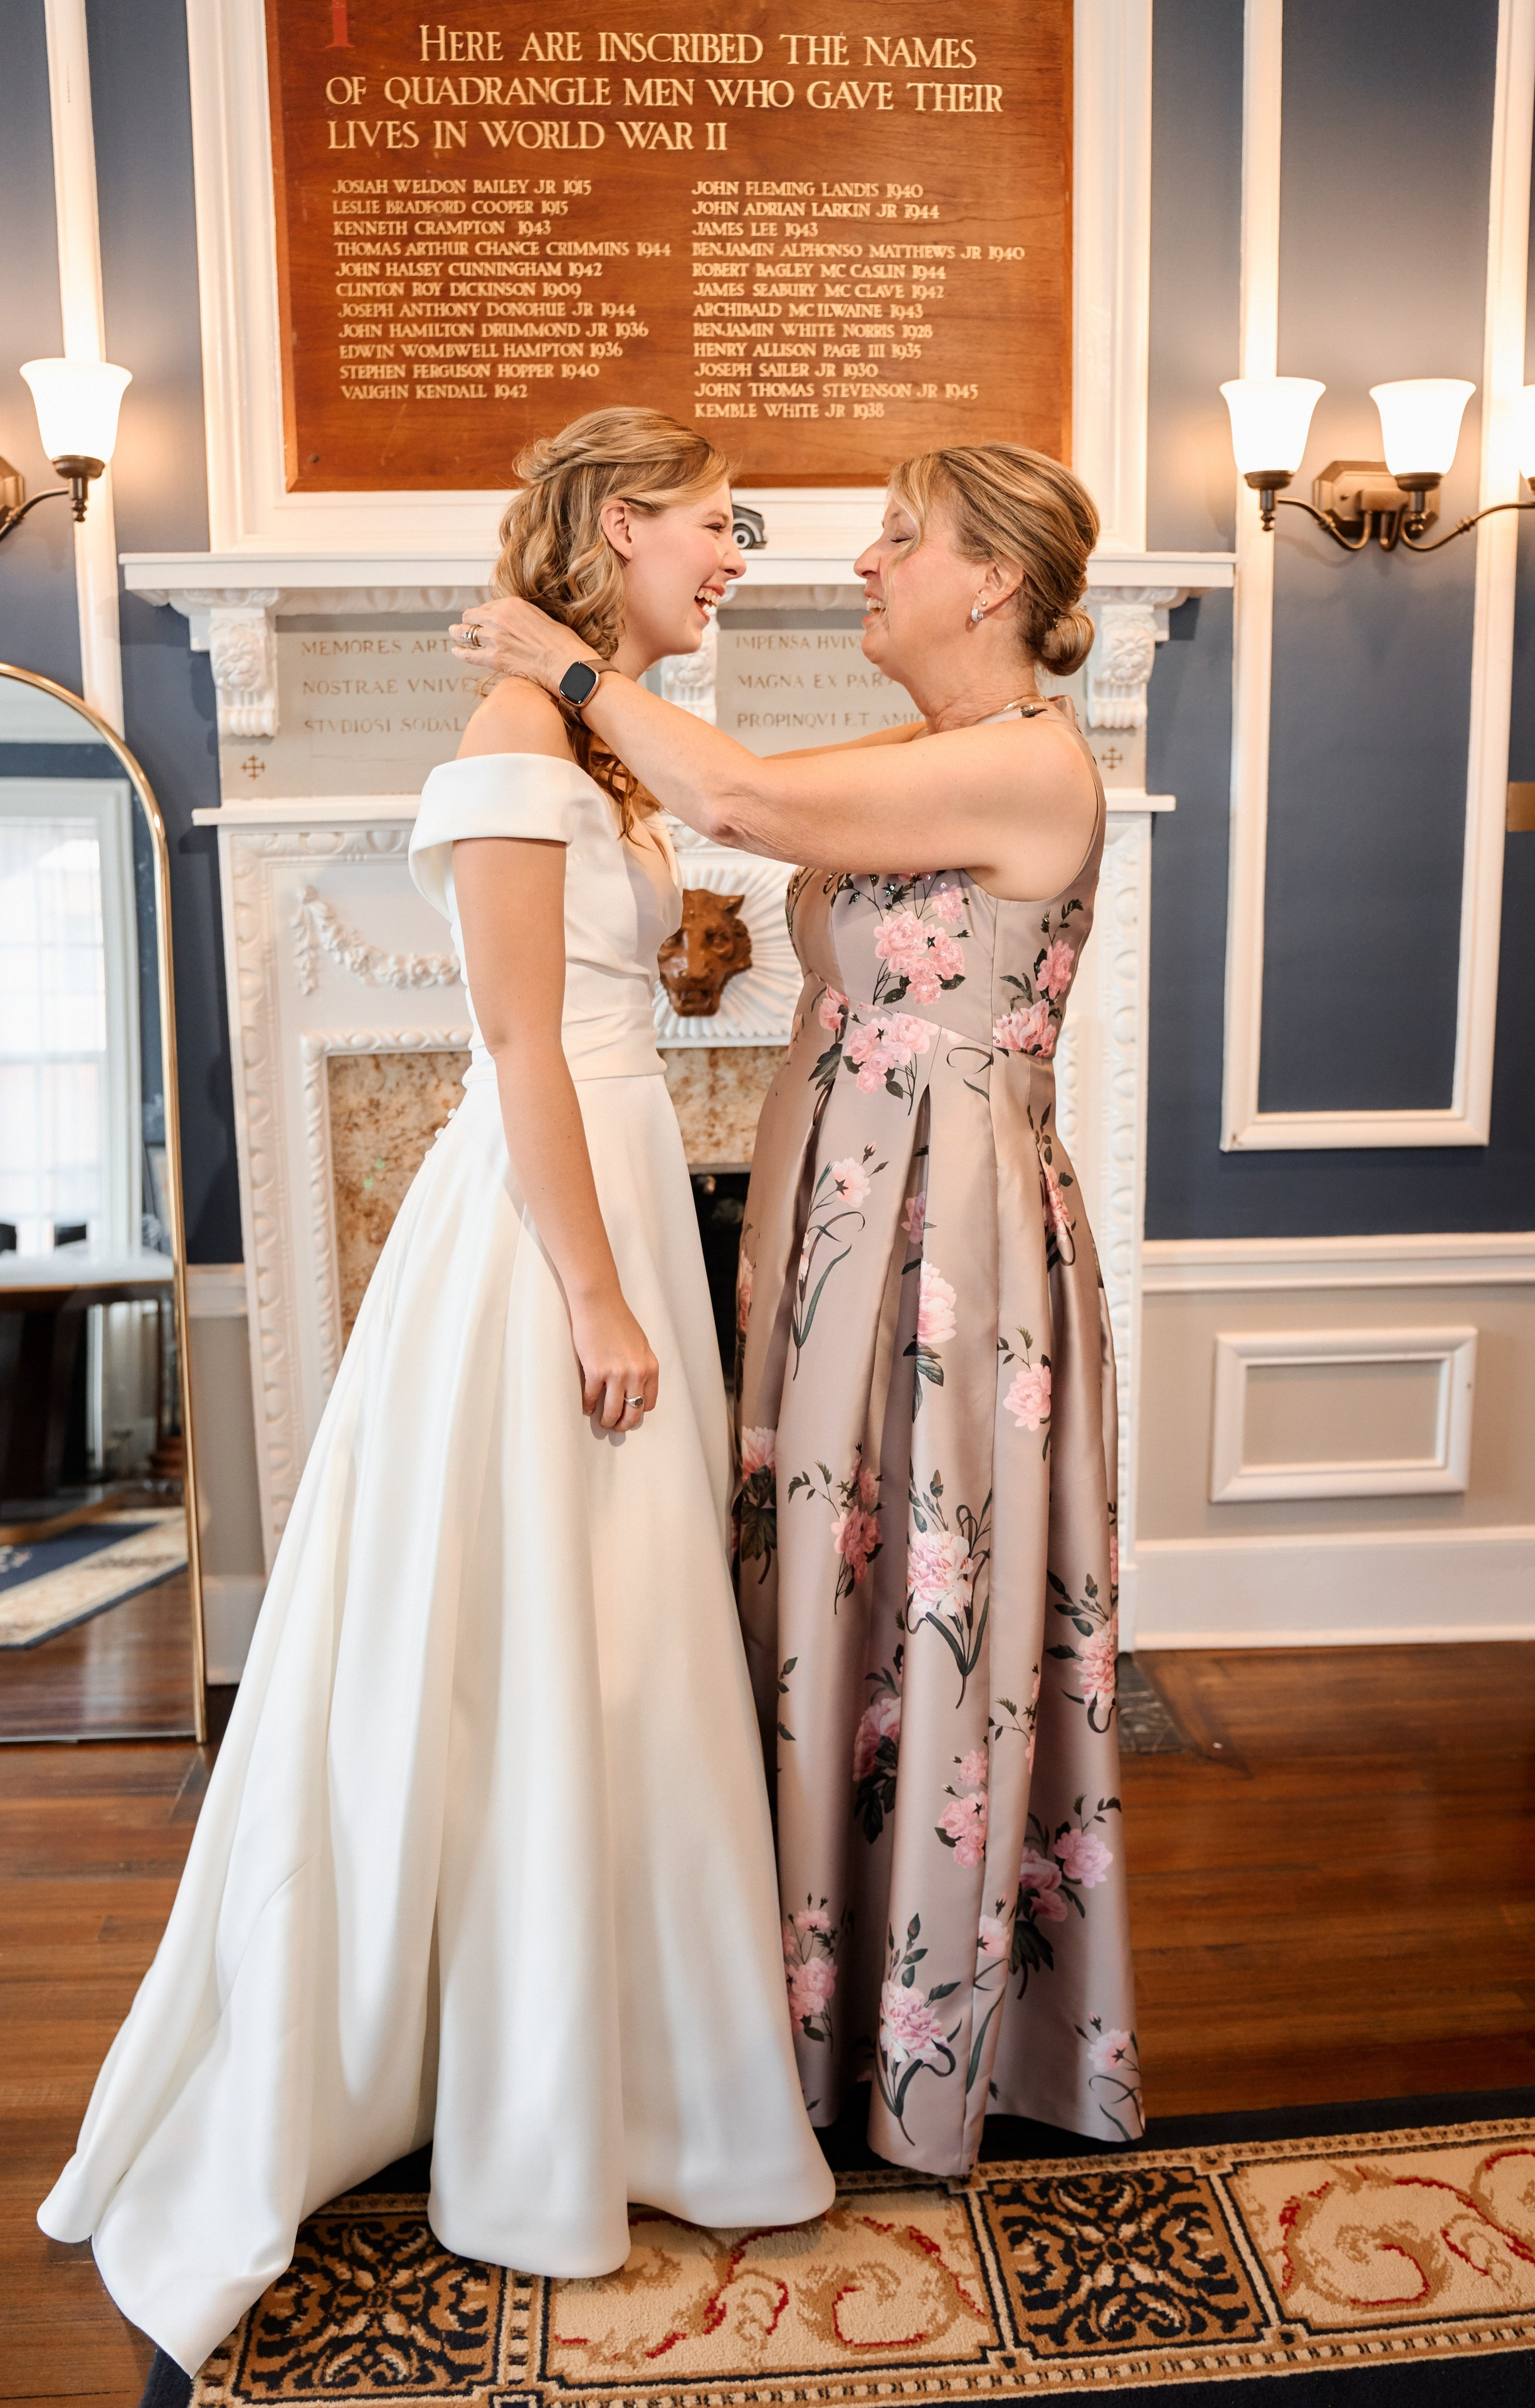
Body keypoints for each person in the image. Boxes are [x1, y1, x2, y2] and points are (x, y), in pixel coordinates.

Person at [37, 409, 835, 2378]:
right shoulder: (505, 747)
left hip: (621, 1200)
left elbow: (601, 985)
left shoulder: (594, 747)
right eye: (717, 527)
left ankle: (625, 2062)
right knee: (543, 1639)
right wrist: (595, 1294)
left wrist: (688, 939)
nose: (736, 556)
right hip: (549, 1238)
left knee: (621, 1649)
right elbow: (513, 1041)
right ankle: (542, 2084)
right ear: (622, 525)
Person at [454, 439, 1143, 2180]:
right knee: (825, 1603)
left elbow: (742, 804)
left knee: (932, 1608)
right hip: (845, 1232)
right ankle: (805, 2030)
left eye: (898, 541)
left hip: (952, 1246)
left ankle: (920, 2063)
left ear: (991, 581)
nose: (862, 566)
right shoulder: (919, 754)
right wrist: (760, 1223)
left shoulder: (1032, 764)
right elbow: (813, 969)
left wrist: (570, 662)